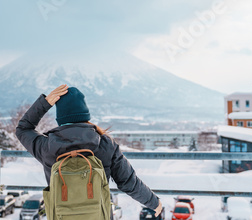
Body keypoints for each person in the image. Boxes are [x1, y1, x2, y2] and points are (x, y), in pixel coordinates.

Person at [15, 84, 163, 218]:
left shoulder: (47, 146)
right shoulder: (105, 144)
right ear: (85, 114)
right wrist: (154, 203)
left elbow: (23, 129)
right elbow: (128, 182)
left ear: (60, 117)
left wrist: (45, 103)